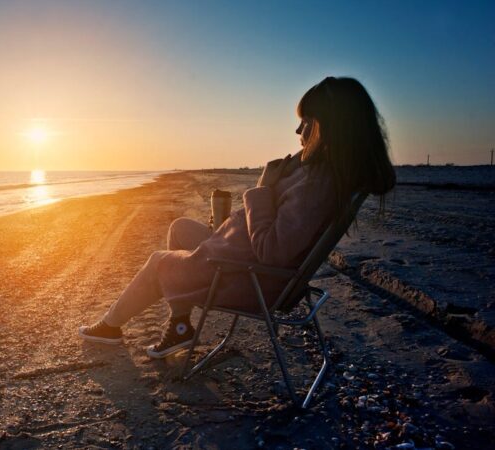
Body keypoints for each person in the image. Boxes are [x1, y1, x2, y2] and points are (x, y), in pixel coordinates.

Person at [78, 76, 396, 358]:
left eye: (306, 122)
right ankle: (180, 328)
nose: (298, 131)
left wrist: (262, 188)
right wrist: (233, 224)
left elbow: (271, 251)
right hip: (241, 261)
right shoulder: (320, 175)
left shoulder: (317, 184)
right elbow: (277, 229)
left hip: (249, 278)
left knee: (159, 262)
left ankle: (109, 328)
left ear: (328, 128)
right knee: (181, 229)